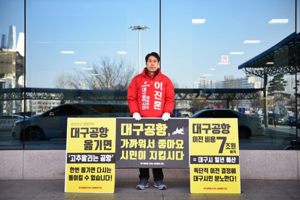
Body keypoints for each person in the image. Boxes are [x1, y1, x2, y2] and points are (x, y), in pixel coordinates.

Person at [127, 52, 175, 190]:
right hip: (141, 122)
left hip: (160, 123)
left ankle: (159, 180)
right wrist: (134, 112)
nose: (152, 63)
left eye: (155, 61)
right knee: (142, 151)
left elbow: (169, 98)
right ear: (146, 63)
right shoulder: (137, 80)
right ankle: (143, 179)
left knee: (157, 152)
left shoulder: (165, 80)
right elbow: (131, 98)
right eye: (149, 61)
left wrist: (167, 112)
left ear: (158, 63)